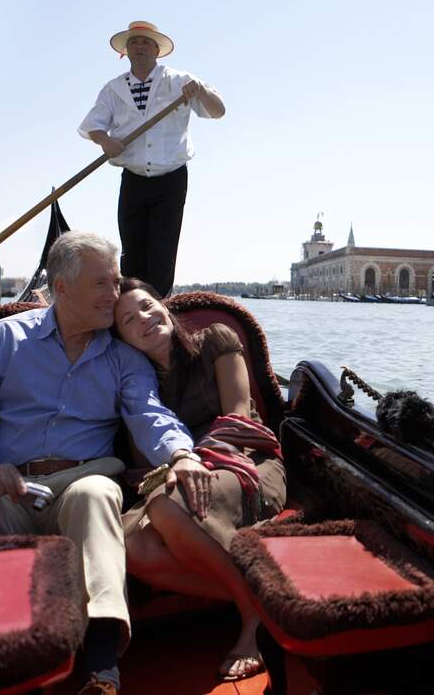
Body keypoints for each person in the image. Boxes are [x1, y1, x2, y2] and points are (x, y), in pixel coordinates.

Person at [0, 232, 209, 695]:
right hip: (4, 491)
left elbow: (148, 414)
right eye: (102, 284)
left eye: (115, 283)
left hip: (79, 486)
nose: (113, 295)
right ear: (62, 289)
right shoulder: (2, 339)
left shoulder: (122, 358)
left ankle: (101, 667)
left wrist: (181, 453)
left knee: (97, 493)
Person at [112, 278, 286, 682]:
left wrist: (191, 464)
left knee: (164, 505)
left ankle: (250, 621)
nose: (144, 318)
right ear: (121, 339)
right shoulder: (136, 384)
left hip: (245, 461)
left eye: (147, 305)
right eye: (127, 319)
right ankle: (261, 602)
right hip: (179, 478)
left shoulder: (215, 340)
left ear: (164, 306)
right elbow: (144, 461)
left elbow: (239, 416)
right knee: (129, 545)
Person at [79, 21, 225, 297]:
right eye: (134, 42)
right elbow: (93, 126)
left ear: (158, 50)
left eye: (146, 42)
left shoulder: (180, 81)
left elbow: (218, 111)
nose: (140, 46)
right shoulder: (112, 89)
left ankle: (158, 307)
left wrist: (201, 92)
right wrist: (105, 141)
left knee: (162, 250)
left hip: (171, 178)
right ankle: (131, 308)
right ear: (126, 51)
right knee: (131, 252)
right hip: (133, 179)